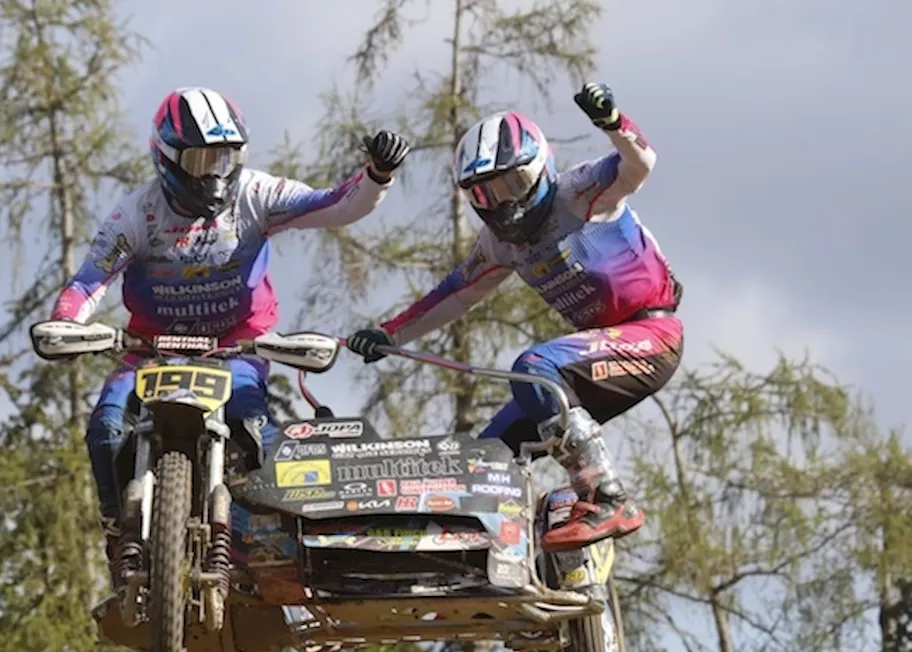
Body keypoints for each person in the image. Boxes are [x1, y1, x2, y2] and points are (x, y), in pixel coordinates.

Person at [49, 86, 410, 585]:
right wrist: (67, 325)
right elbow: (90, 280)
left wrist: (377, 177)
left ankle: (256, 544)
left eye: (226, 157)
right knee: (107, 429)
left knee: (249, 427)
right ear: (167, 159)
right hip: (152, 347)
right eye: (201, 159)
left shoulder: (256, 195)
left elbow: (334, 206)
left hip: (235, 344)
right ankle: (119, 537)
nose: (215, 173)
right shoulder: (136, 214)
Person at [346, 82, 682, 553]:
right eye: (485, 194)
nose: (503, 203)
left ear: (540, 169)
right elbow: (457, 294)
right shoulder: (500, 243)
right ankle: (495, 547)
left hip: (652, 332)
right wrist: (388, 334)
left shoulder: (580, 191)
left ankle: (607, 495)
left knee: (534, 370)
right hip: (596, 356)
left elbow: (639, 165)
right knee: (488, 453)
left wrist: (613, 122)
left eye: (512, 185)